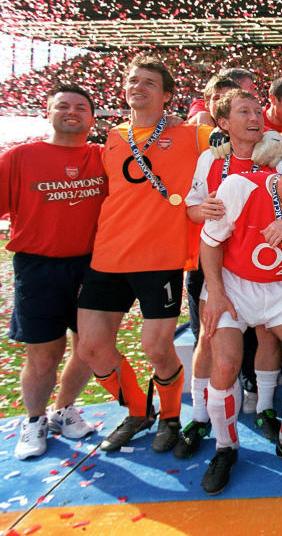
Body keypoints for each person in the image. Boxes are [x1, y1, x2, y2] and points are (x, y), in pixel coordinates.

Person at [76, 54, 218, 454]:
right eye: (133, 81)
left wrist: (204, 121)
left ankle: (171, 418)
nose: (138, 87)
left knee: (158, 347)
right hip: (107, 259)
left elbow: (230, 138)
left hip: (161, 259)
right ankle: (139, 410)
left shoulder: (191, 134)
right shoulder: (113, 137)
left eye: (149, 83)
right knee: (91, 348)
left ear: (168, 95)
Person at [198, 143, 282, 494]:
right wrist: (215, 293)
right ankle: (225, 448)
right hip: (232, 284)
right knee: (226, 363)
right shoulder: (240, 187)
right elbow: (210, 242)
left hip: (280, 290)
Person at [179, 88, 282, 457]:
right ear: (223, 123)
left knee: (268, 336)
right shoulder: (210, 160)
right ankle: (201, 415)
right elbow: (191, 209)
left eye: (258, 111)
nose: (255, 118)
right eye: (244, 112)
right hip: (215, 268)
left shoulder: (276, 159)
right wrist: (202, 210)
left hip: (262, 268)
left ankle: (266, 407)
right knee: (207, 338)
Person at [0, 84, 103, 459]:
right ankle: (33, 420)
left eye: (80, 107)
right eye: (63, 106)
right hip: (39, 266)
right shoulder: (19, 157)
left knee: (90, 348)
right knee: (44, 353)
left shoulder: (104, 157)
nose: (71, 112)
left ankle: (63, 409)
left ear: (93, 117)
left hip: (94, 266)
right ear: (49, 112)